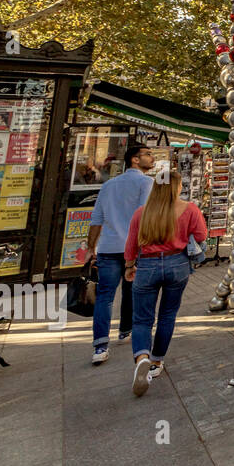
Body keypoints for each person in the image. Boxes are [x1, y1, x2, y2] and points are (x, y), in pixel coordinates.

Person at [123, 164, 206, 395]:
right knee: (168, 314)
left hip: (147, 265)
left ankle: (142, 356)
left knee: (141, 320)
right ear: (176, 188)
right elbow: (201, 236)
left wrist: (129, 266)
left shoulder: (142, 213)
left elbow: (131, 244)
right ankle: (157, 361)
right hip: (177, 264)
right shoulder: (189, 209)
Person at [87, 144, 156, 364]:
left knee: (105, 297)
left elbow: (96, 219)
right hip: (133, 248)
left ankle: (100, 345)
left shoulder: (108, 185)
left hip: (107, 247)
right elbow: (144, 215)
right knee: (132, 290)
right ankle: (126, 331)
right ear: (134, 160)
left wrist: (91, 248)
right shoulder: (146, 182)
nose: (152, 158)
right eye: (148, 155)